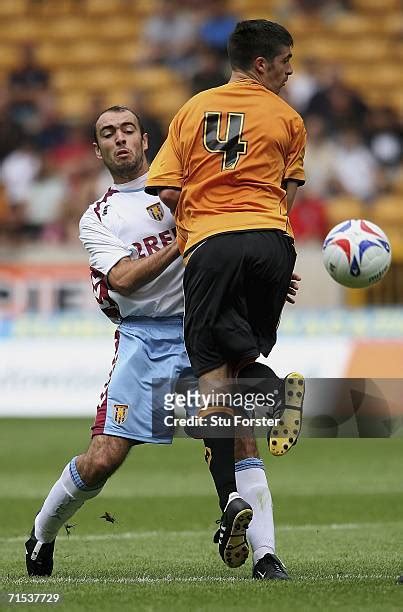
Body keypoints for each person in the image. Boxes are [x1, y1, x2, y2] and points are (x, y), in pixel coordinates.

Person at [25, 105, 293, 581]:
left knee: (241, 434)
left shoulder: (184, 191)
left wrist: (264, 276)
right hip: (142, 339)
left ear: (146, 140)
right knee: (103, 458)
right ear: (99, 149)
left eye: (128, 130)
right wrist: (183, 240)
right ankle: (42, 536)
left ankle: (266, 556)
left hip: (200, 326)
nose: (120, 139)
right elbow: (125, 279)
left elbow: (226, 246)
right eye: (108, 133)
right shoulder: (98, 217)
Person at [146, 19, 306, 570]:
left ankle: (270, 404)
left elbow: (166, 187)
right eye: (286, 60)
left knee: (212, 383)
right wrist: (270, 255)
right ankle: (258, 545)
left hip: (212, 247)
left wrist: (201, 226)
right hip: (270, 243)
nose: (291, 69)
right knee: (238, 373)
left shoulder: (192, 110)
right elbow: (285, 195)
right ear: (261, 65)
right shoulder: (288, 118)